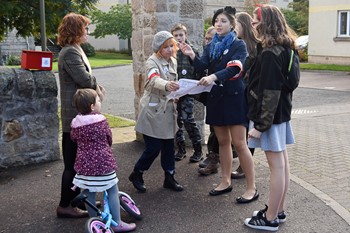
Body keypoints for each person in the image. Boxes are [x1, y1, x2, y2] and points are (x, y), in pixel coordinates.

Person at [179, 6, 258, 202]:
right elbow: (202, 66)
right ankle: (225, 181)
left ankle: (251, 187)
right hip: (216, 98)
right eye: (216, 21)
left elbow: (235, 69)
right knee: (222, 142)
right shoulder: (211, 46)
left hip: (234, 97)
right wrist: (191, 55)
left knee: (239, 143)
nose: (218, 24)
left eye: (223, 21)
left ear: (232, 24)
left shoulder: (239, 45)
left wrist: (213, 76)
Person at [243, 4, 297, 231]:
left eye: (255, 22)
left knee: (277, 166)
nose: (253, 26)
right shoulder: (286, 48)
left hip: (271, 118)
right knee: (282, 164)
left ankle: (270, 218)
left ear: (265, 23)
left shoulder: (270, 53)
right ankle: (278, 210)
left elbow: (270, 92)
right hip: (281, 115)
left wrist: (261, 125)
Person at [56, 13, 104, 218]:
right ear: (76, 30)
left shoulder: (75, 49)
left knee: (79, 164)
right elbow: (84, 79)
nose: (87, 31)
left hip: (80, 116)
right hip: (73, 119)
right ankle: (65, 205)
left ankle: (81, 201)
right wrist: (96, 86)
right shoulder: (69, 53)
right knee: (72, 165)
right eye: (84, 28)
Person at [71, 89, 136, 232]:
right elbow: (109, 138)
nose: (100, 103)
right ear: (92, 107)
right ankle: (117, 222)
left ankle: (95, 220)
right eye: (98, 101)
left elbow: (74, 139)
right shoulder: (101, 121)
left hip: (84, 165)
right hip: (103, 163)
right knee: (112, 189)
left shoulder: (76, 123)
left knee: (89, 192)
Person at [128, 31, 183, 192]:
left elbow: (173, 82)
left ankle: (169, 177)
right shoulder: (152, 61)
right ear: (158, 48)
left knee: (168, 147)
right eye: (166, 47)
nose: (170, 49)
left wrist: (175, 94)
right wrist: (167, 85)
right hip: (153, 110)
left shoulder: (173, 61)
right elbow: (154, 78)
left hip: (167, 108)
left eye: (172, 45)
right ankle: (137, 172)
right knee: (153, 148)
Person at [230, 12, 260, 179]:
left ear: (244, 25)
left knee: (248, 131)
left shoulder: (254, 46)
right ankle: (243, 162)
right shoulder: (239, 43)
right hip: (241, 92)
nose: (235, 29)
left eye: (237, 25)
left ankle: (244, 166)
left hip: (250, 94)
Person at [170, 23, 204, 163]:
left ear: (186, 35)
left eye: (181, 35)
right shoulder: (171, 52)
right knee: (176, 122)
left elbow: (200, 69)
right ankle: (181, 149)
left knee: (188, 120)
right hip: (175, 93)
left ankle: (198, 150)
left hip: (188, 92)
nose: (178, 38)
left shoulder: (193, 50)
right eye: (176, 35)